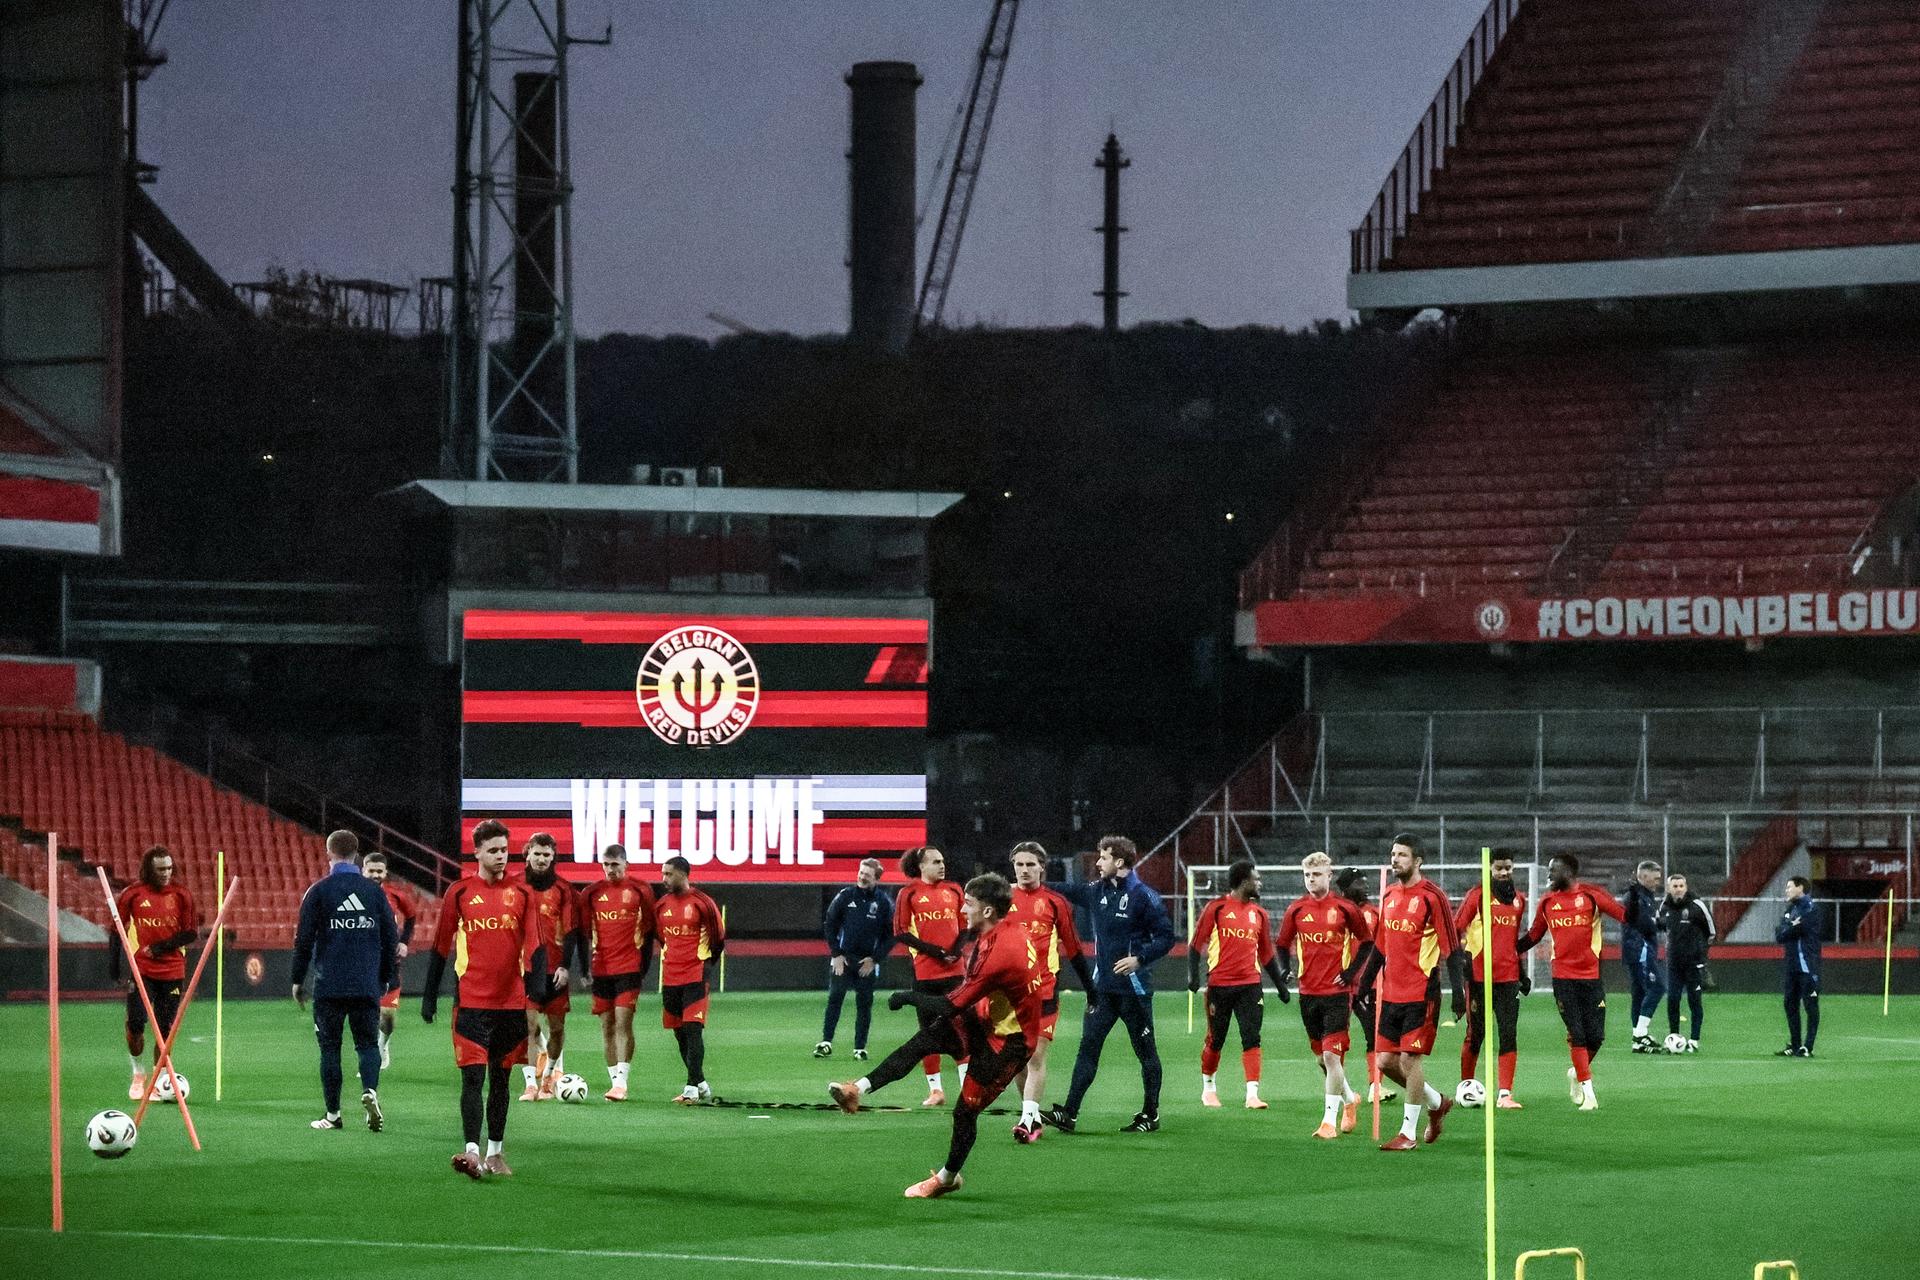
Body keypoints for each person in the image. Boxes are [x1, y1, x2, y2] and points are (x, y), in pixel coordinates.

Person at [827, 872, 1045, 1199]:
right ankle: (856, 1090)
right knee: (923, 1041)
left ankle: (947, 1179)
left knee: (965, 1111)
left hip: (1009, 1043)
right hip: (988, 1018)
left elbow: (949, 1004)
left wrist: (907, 997)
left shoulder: (1001, 951)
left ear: (987, 911)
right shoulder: (1003, 931)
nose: (963, 911)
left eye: (969, 905)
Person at [421, 819, 545, 1179]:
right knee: (472, 1079)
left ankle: (495, 1153)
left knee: (501, 1081)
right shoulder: (459, 893)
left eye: (504, 850)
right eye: (492, 850)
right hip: (471, 1002)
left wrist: (536, 989)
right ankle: (471, 1151)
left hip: (510, 1004)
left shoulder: (522, 895)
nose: (500, 857)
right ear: (476, 852)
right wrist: (430, 996)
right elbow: (440, 946)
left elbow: (535, 947)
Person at [1041, 834, 1175, 1135]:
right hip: (1102, 990)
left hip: (1134, 991)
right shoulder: (1097, 891)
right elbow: (1069, 890)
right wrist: (1035, 883)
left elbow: (1166, 938)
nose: (1098, 863)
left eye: (1103, 857)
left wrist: (1139, 959)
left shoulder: (1144, 896)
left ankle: (1151, 1114)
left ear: (1119, 861)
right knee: (1087, 1049)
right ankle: (1070, 1114)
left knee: (1146, 1053)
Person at [1350, 834, 1466, 1151]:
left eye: (1402, 854)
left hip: (1421, 992)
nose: (1395, 859)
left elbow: (1452, 948)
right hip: (1391, 993)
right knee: (1386, 1062)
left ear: (1417, 861)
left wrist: (1459, 991)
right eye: (1393, 853)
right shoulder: (1388, 895)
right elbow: (1380, 946)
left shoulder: (1432, 897)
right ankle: (1436, 1102)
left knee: (1409, 1060)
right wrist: (1363, 982)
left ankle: (1408, 1134)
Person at [290, 829, 398, 1132]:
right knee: (367, 1045)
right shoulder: (374, 892)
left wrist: (298, 980)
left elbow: (304, 940)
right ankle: (370, 1092)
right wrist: (386, 977)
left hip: (330, 985)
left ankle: (333, 1115)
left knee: (330, 1049)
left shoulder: (319, 891)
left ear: (329, 854)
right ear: (357, 855)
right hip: (366, 983)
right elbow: (390, 937)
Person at [1518, 853, 1627, 1111]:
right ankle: (1589, 1093)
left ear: (1568, 872)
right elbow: (1534, 935)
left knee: (1596, 1037)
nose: (1549, 875)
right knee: (1576, 1034)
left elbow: (1624, 915)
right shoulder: (1547, 901)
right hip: (1563, 978)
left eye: (1553, 870)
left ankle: (1577, 1073)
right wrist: (1510, 949)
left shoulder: (1592, 896)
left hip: (1591, 977)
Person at [1274, 852, 1372, 1138]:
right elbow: (1282, 944)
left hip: (1337, 994)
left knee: (1331, 1056)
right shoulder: (1296, 909)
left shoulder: (1344, 909)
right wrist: (1284, 970)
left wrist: (1351, 972)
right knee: (1323, 1059)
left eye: (1316, 874)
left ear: (1329, 876)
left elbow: (1367, 942)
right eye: (1307, 875)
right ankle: (1350, 1099)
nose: (1311, 879)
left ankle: (1328, 1122)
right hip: (1308, 993)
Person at [1005, 841, 1095, 1142]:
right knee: (1017, 1060)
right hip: (1008, 995)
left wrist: (1090, 989)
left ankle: (1028, 1120)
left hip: (1044, 990)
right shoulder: (1003, 898)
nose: (1025, 870)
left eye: (1031, 864)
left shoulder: (1055, 902)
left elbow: (1073, 948)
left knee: (1035, 1057)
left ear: (1042, 867)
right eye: (1019, 864)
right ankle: (1030, 1115)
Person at [1189, 858, 1290, 1113]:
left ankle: (1252, 1094)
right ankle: (1209, 1088)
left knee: (1251, 1037)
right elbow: (1195, 944)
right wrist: (1193, 976)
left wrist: (1280, 986)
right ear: (1244, 881)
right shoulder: (1217, 908)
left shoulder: (1259, 914)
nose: (1259, 883)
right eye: (1256, 878)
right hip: (1220, 986)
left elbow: (1266, 954)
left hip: (1250, 986)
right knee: (1216, 1039)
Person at [109, 845, 199, 1101]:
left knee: (164, 1029)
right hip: (142, 971)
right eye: (161, 869)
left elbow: (190, 933)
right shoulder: (132, 894)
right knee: (136, 1022)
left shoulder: (181, 894)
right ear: (149, 869)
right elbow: (117, 931)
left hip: (172, 970)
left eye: (169, 868)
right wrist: (114, 965)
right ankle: (138, 1073)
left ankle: (160, 1080)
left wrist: (159, 947)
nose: (166, 873)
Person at [892, 845, 969, 1106]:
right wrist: (934, 951)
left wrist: (956, 951)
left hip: (955, 972)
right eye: (935, 861)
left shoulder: (955, 890)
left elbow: (966, 926)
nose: (941, 865)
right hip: (925, 972)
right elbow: (901, 931)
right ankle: (936, 1091)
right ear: (921, 866)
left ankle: (967, 1088)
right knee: (927, 1032)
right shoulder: (909, 893)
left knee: (961, 1029)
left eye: (943, 860)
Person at [1456, 850, 1529, 1109]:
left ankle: (1505, 1094)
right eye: (1499, 868)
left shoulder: (1519, 900)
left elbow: (1511, 941)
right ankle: (1466, 1086)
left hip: (1507, 979)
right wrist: (1463, 959)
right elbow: (1456, 928)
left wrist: (1521, 973)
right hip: (1478, 978)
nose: (1504, 872)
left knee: (1508, 1034)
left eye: (1508, 867)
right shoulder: (1477, 896)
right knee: (1475, 1035)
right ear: (1489, 868)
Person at [583, 843, 655, 1101]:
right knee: (606, 1026)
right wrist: (585, 968)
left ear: (626, 864)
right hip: (601, 969)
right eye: (606, 864)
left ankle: (622, 1081)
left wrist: (642, 968)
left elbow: (648, 931)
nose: (610, 869)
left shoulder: (640, 889)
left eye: (615, 864)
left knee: (623, 1022)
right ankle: (614, 1081)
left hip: (628, 968)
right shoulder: (591, 893)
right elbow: (583, 933)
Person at [518, 833, 587, 1099]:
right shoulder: (514, 886)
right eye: (537, 853)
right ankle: (530, 1085)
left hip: (554, 969)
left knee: (557, 1028)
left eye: (547, 854)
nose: (542, 859)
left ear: (553, 857)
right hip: (526, 968)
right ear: (528, 854)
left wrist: (565, 966)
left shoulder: (564, 890)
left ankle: (548, 1077)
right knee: (528, 1026)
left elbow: (571, 930)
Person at [655, 855, 725, 1103]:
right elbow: (661, 938)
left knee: (693, 1030)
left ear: (683, 875)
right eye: (662, 873)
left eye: (668, 874)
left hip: (695, 975)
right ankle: (701, 1082)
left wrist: (703, 965)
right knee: (679, 1032)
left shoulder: (702, 903)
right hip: (671, 977)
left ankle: (691, 1088)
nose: (663, 878)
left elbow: (718, 940)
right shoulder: (661, 905)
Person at [817, 857, 894, 1061]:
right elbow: (830, 925)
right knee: (835, 998)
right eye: (861, 873)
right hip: (844, 958)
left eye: (867, 875)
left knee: (864, 1003)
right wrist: (836, 954)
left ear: (876, 878)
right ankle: (826, 1043)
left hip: (866, 962)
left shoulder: (883, 903)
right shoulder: (845, 896)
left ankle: (859, 1048)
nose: (862, 877)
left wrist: (875, 959)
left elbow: (890, 936)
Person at [1336, 867, 1394, 1105]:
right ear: (1346, 888)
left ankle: (1375, 1086)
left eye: (1366, 880)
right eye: (1359, 882)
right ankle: (1339, 1090)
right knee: (1336, 1039)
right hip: (1339, 984)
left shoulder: (1373, 913)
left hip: (1368, 985)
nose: (1365, 885)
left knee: (1374, 1036)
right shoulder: (1337, 913)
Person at [362, 852, 417, 1069]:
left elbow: (411, 916)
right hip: (363, 962)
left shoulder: (394, 894)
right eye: (371, 871)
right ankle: (370, 1057)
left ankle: (383, 1044)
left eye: (379, 871)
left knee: (388, 1017)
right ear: (363, 870)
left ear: (385, 872)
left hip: (388, 963)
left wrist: (404, 941)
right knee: (366, 1014)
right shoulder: (353, 894)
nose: (375, 875)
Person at [1657, 872, 1714, 1053]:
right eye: (1675, 886)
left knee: (1694, 1001)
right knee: (1673, 999)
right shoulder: (1665, 906)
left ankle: (1694, 1040)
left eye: (1681, 886)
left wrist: (1701, 953)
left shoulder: (1697, 906)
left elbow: (1711, 931)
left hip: (1693, 963)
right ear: (1668, 888)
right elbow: (1659, 924)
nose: (1678, 889)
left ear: (1686, 887)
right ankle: (1673, 1037)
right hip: (1673, 962)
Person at [1621, 860, 1666, 1052]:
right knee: (1657, 988)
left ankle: (1637, 1041)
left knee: (1639, 993)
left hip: (1636, 948)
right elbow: (1643, 924)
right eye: (1655, 878)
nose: (1658, 881)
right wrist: (1659, 924)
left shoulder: (1645, 896)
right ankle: (1640, 1033)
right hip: (1640, 949)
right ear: (1643, 877)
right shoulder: (1636, 897)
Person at [1776, 875, 1822, 1058]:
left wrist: (1787, 927)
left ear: (1800, 888)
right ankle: (1795, 1045)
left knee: (1810, 1005)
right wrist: (1788, 927)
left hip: (1807, 965)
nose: (1786, 890)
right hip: (1792, 965)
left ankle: (1807, 1046)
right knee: (1789, 1004)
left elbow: (1793, 930)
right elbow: (1779, 934)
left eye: (1789, 887)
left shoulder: (1810, 908)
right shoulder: (1791, 909)